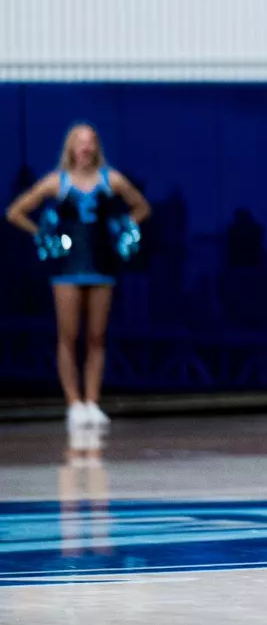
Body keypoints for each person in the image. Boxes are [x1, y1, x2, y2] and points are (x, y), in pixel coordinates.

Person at [6, 124, 149, 431]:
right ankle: (73, 402)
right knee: (68, 336)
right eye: (80, 142)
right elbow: (15, 212)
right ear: (70, 147)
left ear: (96, 147)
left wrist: (122, 228)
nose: (85, 148)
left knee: (97, 337)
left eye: (90, 142)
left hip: (101, 265)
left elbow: (141, 207)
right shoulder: (56, 183)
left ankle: (92, 401)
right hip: (67, 268)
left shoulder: (112, 180)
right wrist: (43, 234)